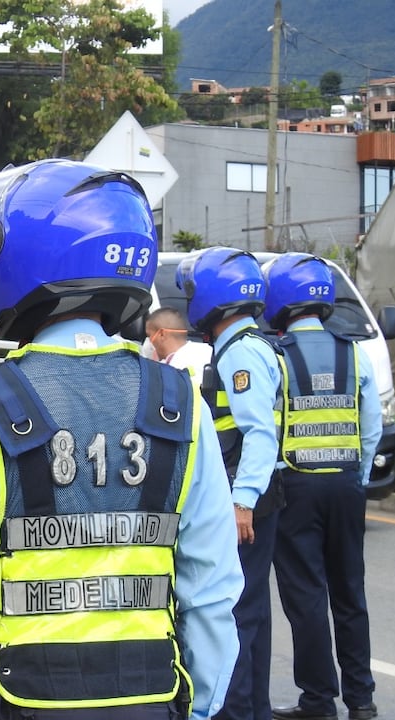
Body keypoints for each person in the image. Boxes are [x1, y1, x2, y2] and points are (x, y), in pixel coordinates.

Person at [0, 159, 242, 720]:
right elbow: (211, 588)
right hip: (153, 700)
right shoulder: (181, 402)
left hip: (19, 701)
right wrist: (200, 707)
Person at [264, 254, 381, 720]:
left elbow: (267, 427)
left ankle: (318, 701)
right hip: (347, 485)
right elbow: (370, 428)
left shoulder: (276, 357)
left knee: (306, 596)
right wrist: (360, 477)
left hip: (296, 488)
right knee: (350, 594)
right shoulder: (356, 353)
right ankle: (362, 700)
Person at [177, 246, 284, 720]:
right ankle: (252, 709)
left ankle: (233, 709)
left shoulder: (240, 352)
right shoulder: (251, 346)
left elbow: (260, 433)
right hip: (255, 494)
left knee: (231, 612)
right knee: (251, 612)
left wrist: (241, 502)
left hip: (244, 496)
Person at [145, 306, 212, 378]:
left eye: (149, 336)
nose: (149, 342)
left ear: (162, 334)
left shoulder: (174, 368)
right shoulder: (209, 351)